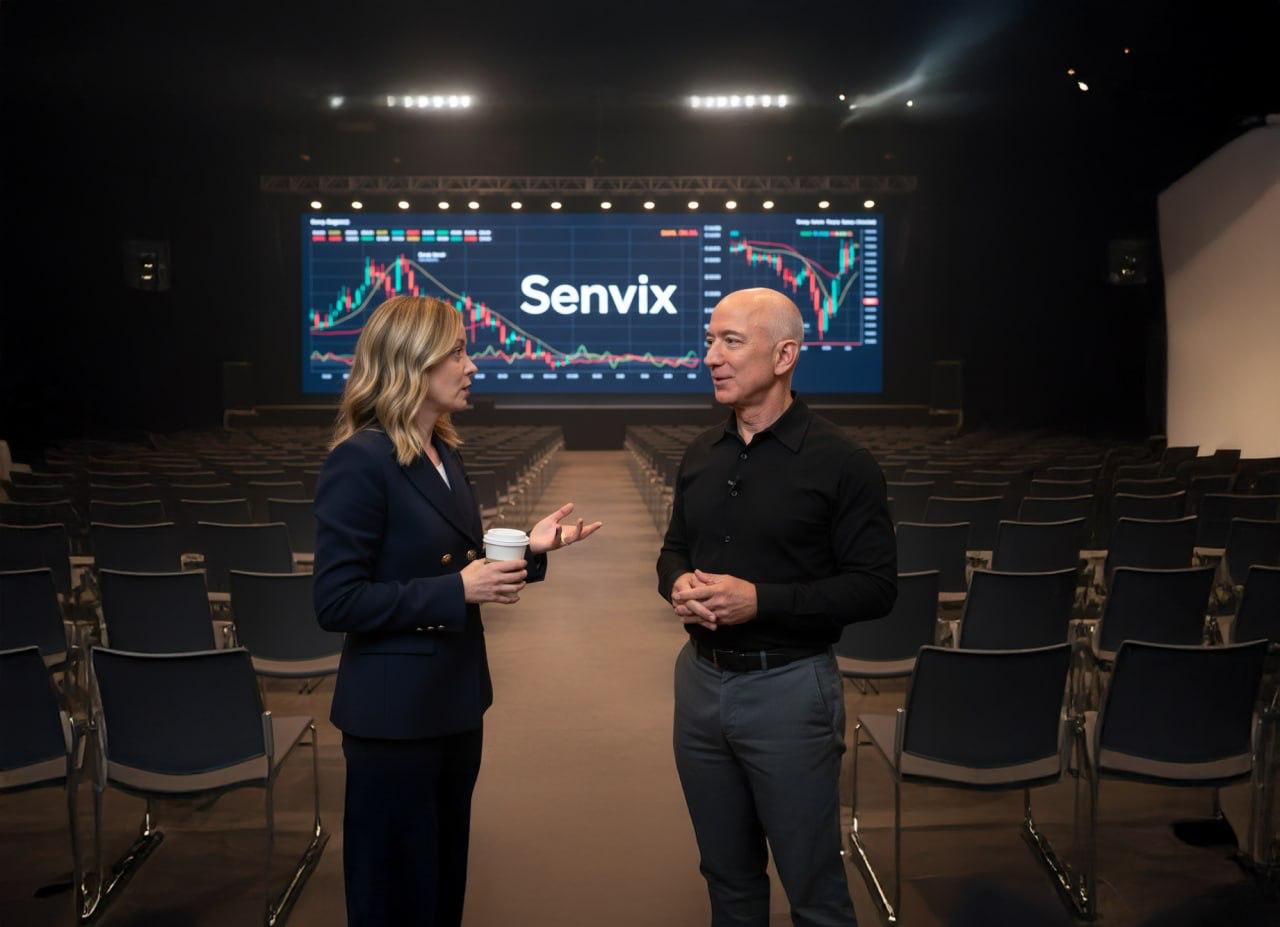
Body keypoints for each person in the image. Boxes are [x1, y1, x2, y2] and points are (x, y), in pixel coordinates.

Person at [313, 295, 602, 927]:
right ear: (411, 362)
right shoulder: (360, 461)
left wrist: (529, 548)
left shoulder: (443, 451)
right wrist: (455, 592)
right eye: (458, 352)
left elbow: (452, 561)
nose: (472, 365)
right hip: (393, 719)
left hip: (452, 701)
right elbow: (336, 602)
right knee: (394, 895)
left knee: (440, 884)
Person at [657, 287, 897, 927]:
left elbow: (875, 587)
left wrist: (759, 601)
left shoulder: (844, 463)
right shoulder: (699, 455)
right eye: (709, 341)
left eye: (730, 341)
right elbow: (672, 552)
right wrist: (677, 583)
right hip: (699, 687)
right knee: (727, 878)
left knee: (813, 890)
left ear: (785, 354)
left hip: (790, 690)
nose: (712, 356)